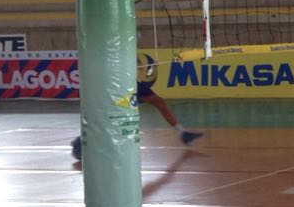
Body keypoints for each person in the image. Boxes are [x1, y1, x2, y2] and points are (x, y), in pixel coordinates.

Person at [70, 53, 203, 162]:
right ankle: (80, 144)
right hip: (115, 89)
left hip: (130, 84)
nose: (140, 67)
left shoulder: (125, 51)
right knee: (107, 118)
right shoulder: (106, 62)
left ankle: (182, 132)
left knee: (159, 102)